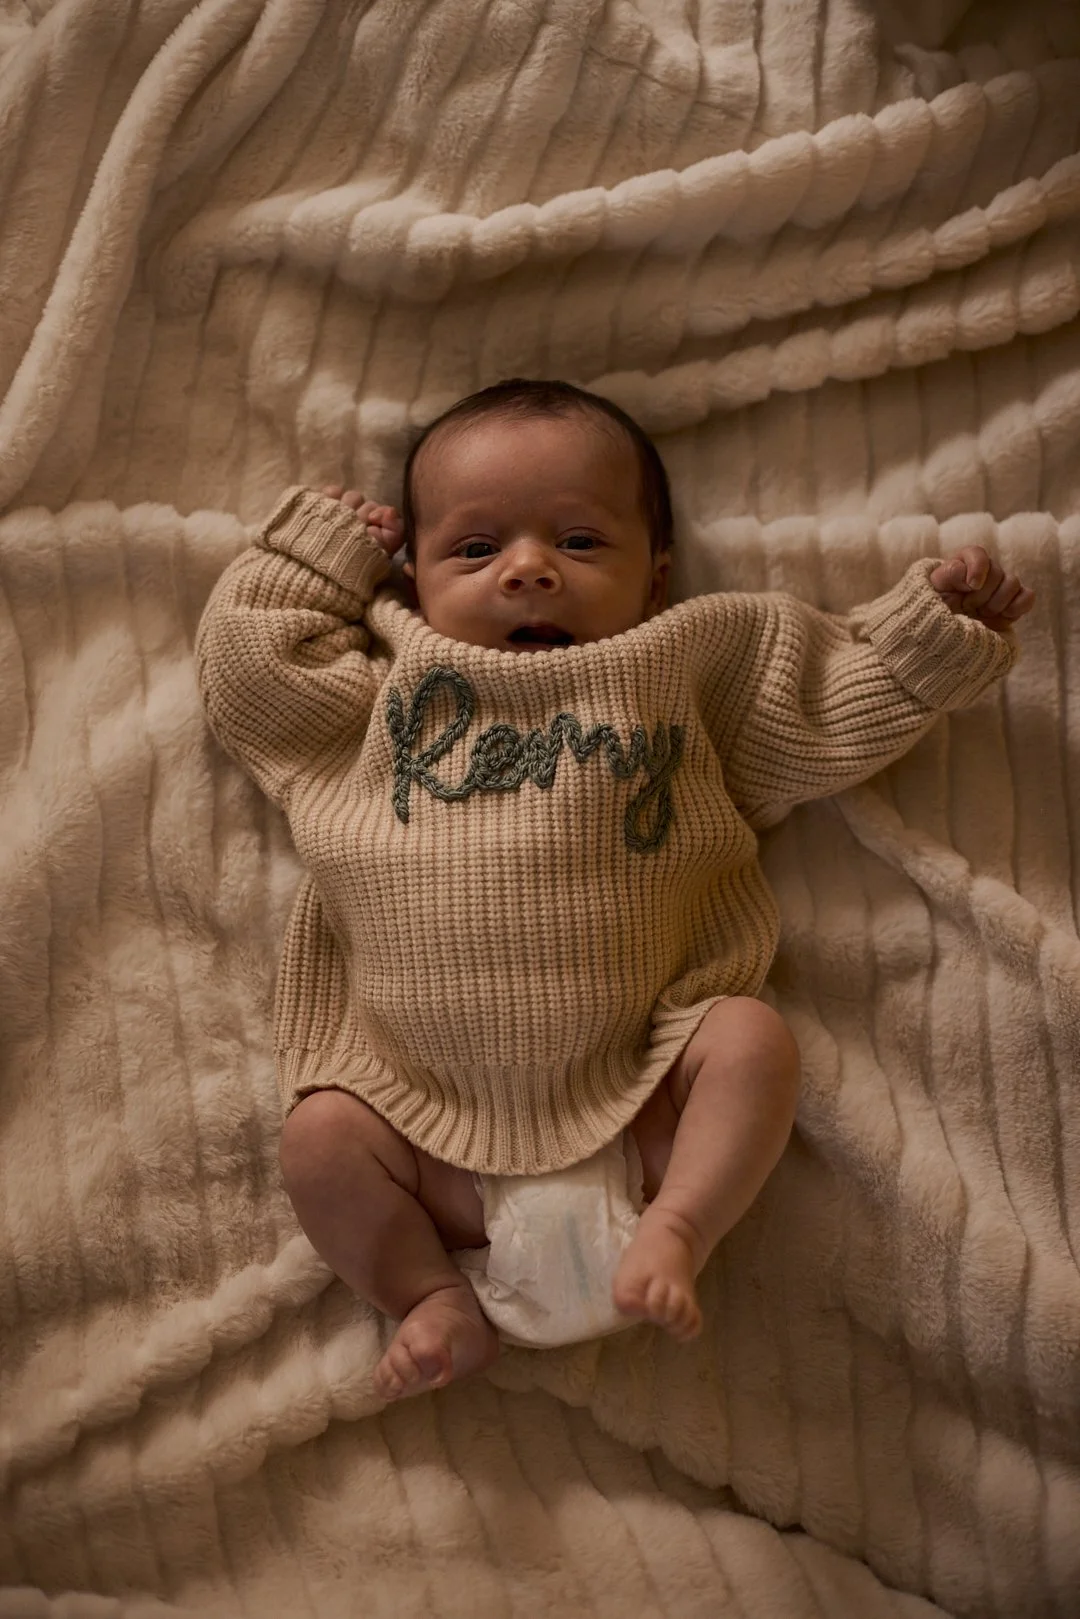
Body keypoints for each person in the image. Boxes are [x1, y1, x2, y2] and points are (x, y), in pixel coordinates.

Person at [194, 378, 1034, 1403]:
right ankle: (423, 1291)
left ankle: (682, 1221)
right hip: (417, 1132)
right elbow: (249, 680)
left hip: (645, 1109)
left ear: (656, 575)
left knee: (749, 1039)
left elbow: (823, 700)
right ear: (412, 576)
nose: (530, 570)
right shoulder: (383, 694)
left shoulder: (679, 670)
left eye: (582, 542)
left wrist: (931, 632)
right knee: (320, 1136)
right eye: (475, 548)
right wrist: (310, 559)